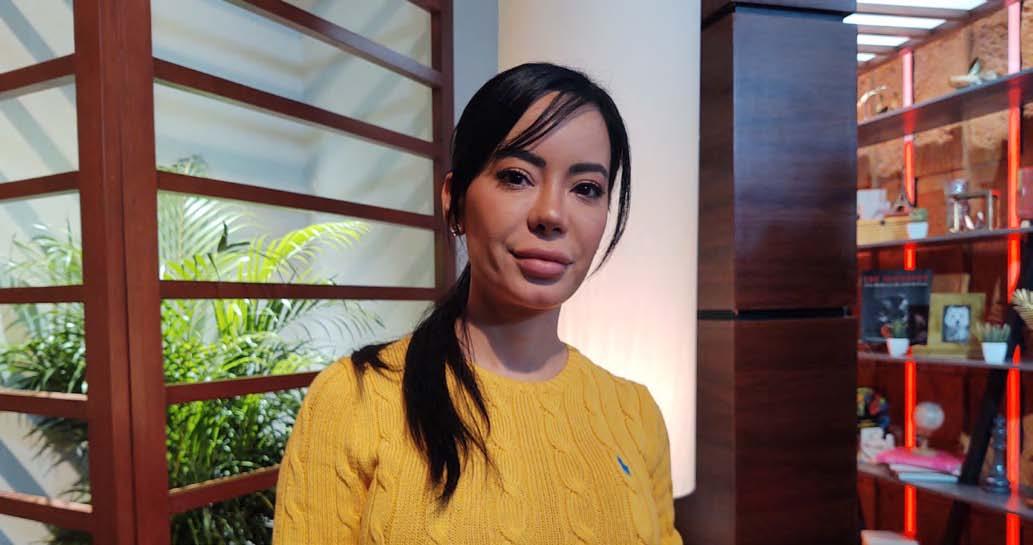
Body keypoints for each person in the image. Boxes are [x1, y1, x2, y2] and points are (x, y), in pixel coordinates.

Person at [272, 62, 681, 545]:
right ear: (455, 201)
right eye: (517, 177)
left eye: (586, 189)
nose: (552, 214)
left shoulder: (636, 414)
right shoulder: (354, 400)